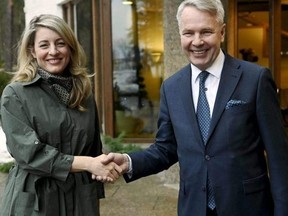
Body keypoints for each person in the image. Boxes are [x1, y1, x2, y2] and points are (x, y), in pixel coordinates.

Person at [99, 0, 288, 215]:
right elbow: (165, 149)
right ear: (180, 34)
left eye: (206, 32)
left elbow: (279, 157)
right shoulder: (171, 87)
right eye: (188, 33)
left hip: (247, 207)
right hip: (193, 208)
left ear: (222, 32)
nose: (197, 41)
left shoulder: (255, 79)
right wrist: (128, 161)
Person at [0, 14, 121, 216]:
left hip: (80, 200)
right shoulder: (15, 94)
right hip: (35, 202)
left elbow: (93, 148)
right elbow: (29, 154)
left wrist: (104, 168)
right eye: (44, 45)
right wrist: (88, 164)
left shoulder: (84, 93)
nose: (53, 52)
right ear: (32, 50)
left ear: (70, 48)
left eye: (60, 43)